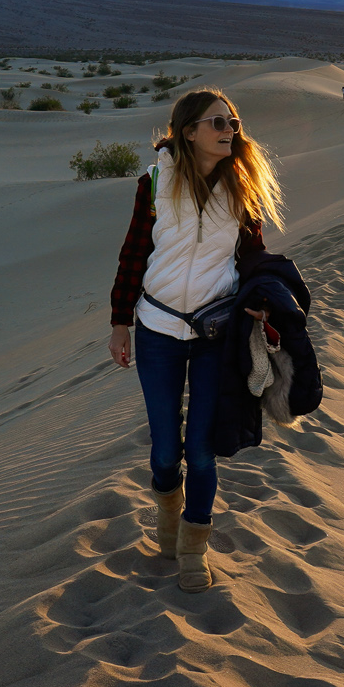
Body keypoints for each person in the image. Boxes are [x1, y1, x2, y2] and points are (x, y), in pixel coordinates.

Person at [109, 89, 283, 591]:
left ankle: (193, 546)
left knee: (201, 449)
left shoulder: (242, 187)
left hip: (216, 332)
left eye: (232, 122)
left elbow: (253, 257)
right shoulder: (157, 182)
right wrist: (120, 322)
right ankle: (167, 520)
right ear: (188, 131)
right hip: (158, 329)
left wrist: (261, 300)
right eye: (216, 123)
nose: (229, 130)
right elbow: (133, 254)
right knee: (165, 450)